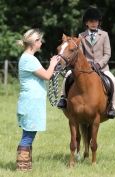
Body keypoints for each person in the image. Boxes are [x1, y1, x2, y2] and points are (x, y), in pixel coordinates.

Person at [57, 6, 115, 119]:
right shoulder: (81, 36)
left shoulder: (104, 35)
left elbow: (107, 54)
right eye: (91, 21)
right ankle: (63, 98)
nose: (94, 23)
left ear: (99, 22)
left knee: (113, 80)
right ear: (86, 23)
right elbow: (80, 53)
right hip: (85, 67)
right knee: (67, 76)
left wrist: (99, 64)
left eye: (96, 21)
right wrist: (86, 64)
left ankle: (113, 107)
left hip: (102, 67)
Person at [16, 28, 60, 171]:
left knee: (29, 134)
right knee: (28, 135)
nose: (41, 42)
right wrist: (53, 62)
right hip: (31, 103)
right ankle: (22, 168)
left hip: (30, 102)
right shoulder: (29, 59)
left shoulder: (28, 58)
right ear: (34, 42)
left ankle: (25, 165)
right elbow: (47, 75)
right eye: (39, 40)